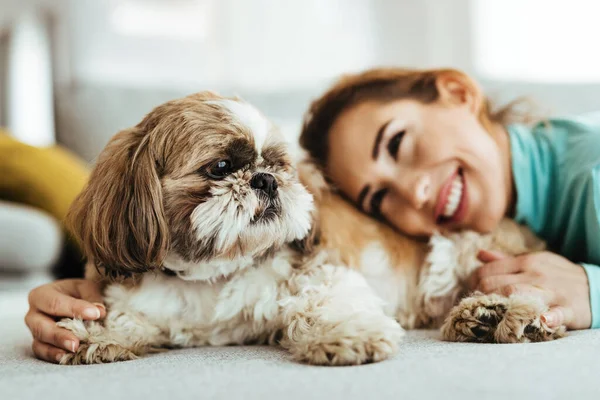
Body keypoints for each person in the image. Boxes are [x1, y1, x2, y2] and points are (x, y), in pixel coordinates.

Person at [25, 67, 600, 363]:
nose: (417, 195)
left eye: (397, 142)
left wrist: (588, 287)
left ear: (457, 92)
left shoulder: (587, 172)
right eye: (222, 168)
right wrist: (85, 307)